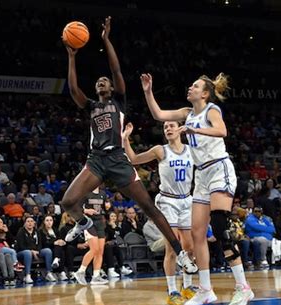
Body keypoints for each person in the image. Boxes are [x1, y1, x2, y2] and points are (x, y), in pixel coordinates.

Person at [60, 16, 196, 274]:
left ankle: (181, 256)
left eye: (105, 81)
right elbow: (73, 88)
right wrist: (71, 56)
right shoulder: (91, 106)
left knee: (148, 207)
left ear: (111, 88)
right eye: (98, 81)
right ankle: (82, 222)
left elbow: (116, 71)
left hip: (119, 160)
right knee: (68, 202)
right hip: (97, 160)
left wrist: (106, 40)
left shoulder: (119, 101)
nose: (101, 81)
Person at [140, 72, 253, 305]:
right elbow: (158, 114)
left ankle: (243, 287)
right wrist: (148, 91)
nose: (190, 87)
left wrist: (193, 131)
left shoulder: (211, 110)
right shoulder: (186, 113)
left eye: (195, 86)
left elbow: (222, 131)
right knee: (198, 234)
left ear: (205, 93)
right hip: (201, 175)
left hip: (218, 168)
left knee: (220, 227)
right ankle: (205, 289)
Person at [123, 121, 196, 305]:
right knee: (172, 247)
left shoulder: (192, 149)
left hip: (187, 200)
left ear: (180, 129)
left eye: (172, 125)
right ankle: (172, 290)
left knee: (190, 247)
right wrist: (125, 139)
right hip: (168, 201)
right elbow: (133, 159)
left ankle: (187, 286)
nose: (168, 129)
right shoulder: (160, 150)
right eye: (165, 127)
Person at [74, 187, 109, 285]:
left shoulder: (103, 193)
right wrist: (85, 210)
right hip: (89, 223)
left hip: (100, 223)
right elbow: (76, 207)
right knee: (94, 250)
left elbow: (106, 207)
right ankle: (80, 271)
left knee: (100, 251)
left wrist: (107, 206)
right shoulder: (85, 192)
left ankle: (96, 276)